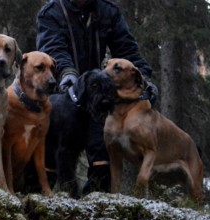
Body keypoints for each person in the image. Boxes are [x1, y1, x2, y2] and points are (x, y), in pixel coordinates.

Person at [36, 0, 158, 194]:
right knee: (52, 159)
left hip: (99, 96)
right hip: (63, 97)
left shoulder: (108, 12)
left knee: (103, 159)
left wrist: (143, 79)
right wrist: (67, 74)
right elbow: (53, 48)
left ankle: (95, 210)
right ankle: (44, 205)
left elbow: (127, 51)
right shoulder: (51, 12)